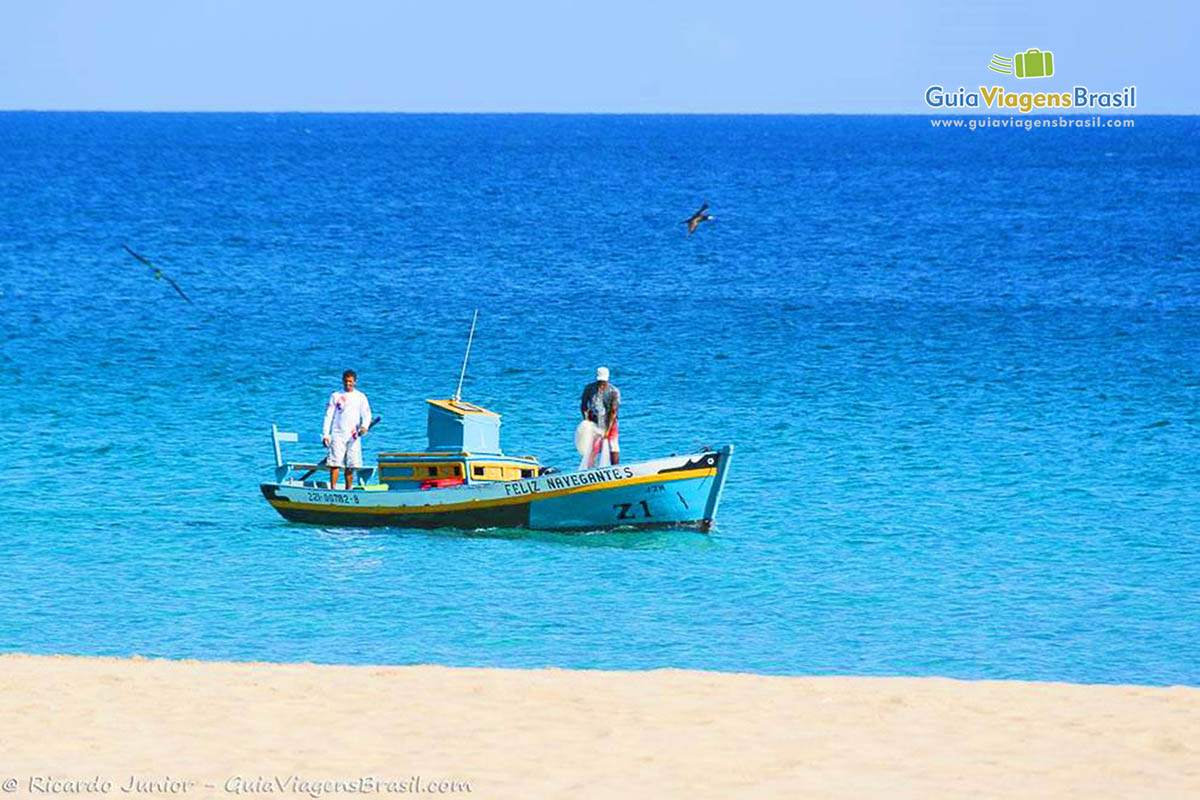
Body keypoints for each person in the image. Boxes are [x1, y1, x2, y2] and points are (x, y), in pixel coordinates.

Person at [322, 369, 372, 490]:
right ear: (342, 381)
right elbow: (329, 416)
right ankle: (332, 488)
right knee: (335, 464)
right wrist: (326, 435)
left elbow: (366, 414)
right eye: (346, 381)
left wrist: (364, 426)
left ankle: (348, 489)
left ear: (354, 382)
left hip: (354, 435)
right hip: (338, 434)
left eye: (350, 381)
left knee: (351, 465)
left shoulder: (360, 397)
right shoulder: (336, 396)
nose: (348, 384)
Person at [580, 366, 620, 467]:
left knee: (613, 445)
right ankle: (591, 471)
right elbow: (584, 406)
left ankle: (615, 468)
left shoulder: (613, 391)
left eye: (603, 382)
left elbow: (613, 412)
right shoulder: (589, 389)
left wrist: (607, 430)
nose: (601, 385)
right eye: (599, 382)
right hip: (594, 423)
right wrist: (587, 422)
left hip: (610, 422)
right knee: (593, 448)